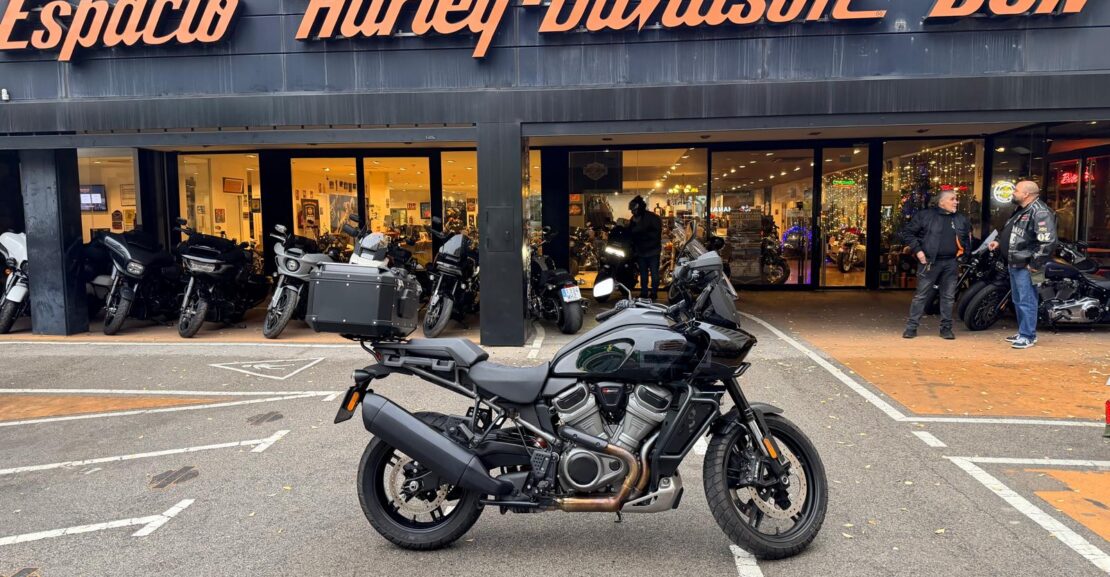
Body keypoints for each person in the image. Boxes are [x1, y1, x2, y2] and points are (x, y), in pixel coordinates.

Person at [988, 180, 1057, 349]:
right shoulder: (1021, 209)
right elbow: (1012, 231)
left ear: (1026, 194)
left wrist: (1034, 264)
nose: (1013, 193)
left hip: (1029, 266)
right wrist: (999, 242)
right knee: (1018, 299)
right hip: (1016, 263)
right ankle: (1023, 332)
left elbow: (1047, 242)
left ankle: (1028, 336)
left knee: (1028, 299)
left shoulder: (1040, 212)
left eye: (1016, 190)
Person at [901, 190, 972, 340]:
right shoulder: (925, 215)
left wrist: (962, 258)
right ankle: (911, 328)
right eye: (952, 199)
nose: (956, 202)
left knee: (948, 297)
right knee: (921, 296)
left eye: (956, 199)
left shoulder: (960, 219)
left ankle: (946, 329)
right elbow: (908, 233)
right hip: (929, 262)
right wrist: (919, 252)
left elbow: (966, 239)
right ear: (941, 202)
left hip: (951, 262)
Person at [627, 195, 662, 300]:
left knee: (651, 273)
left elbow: (656, 234)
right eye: (632, 210)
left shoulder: (651, 218)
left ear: (639, 208)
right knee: (645, 273)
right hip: (644, 251)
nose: (632, 212)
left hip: (651, 251)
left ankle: (651, 292)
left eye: (634, 210)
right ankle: (646, 292)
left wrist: (640, 235)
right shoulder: (637, 218)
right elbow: (630, 233)